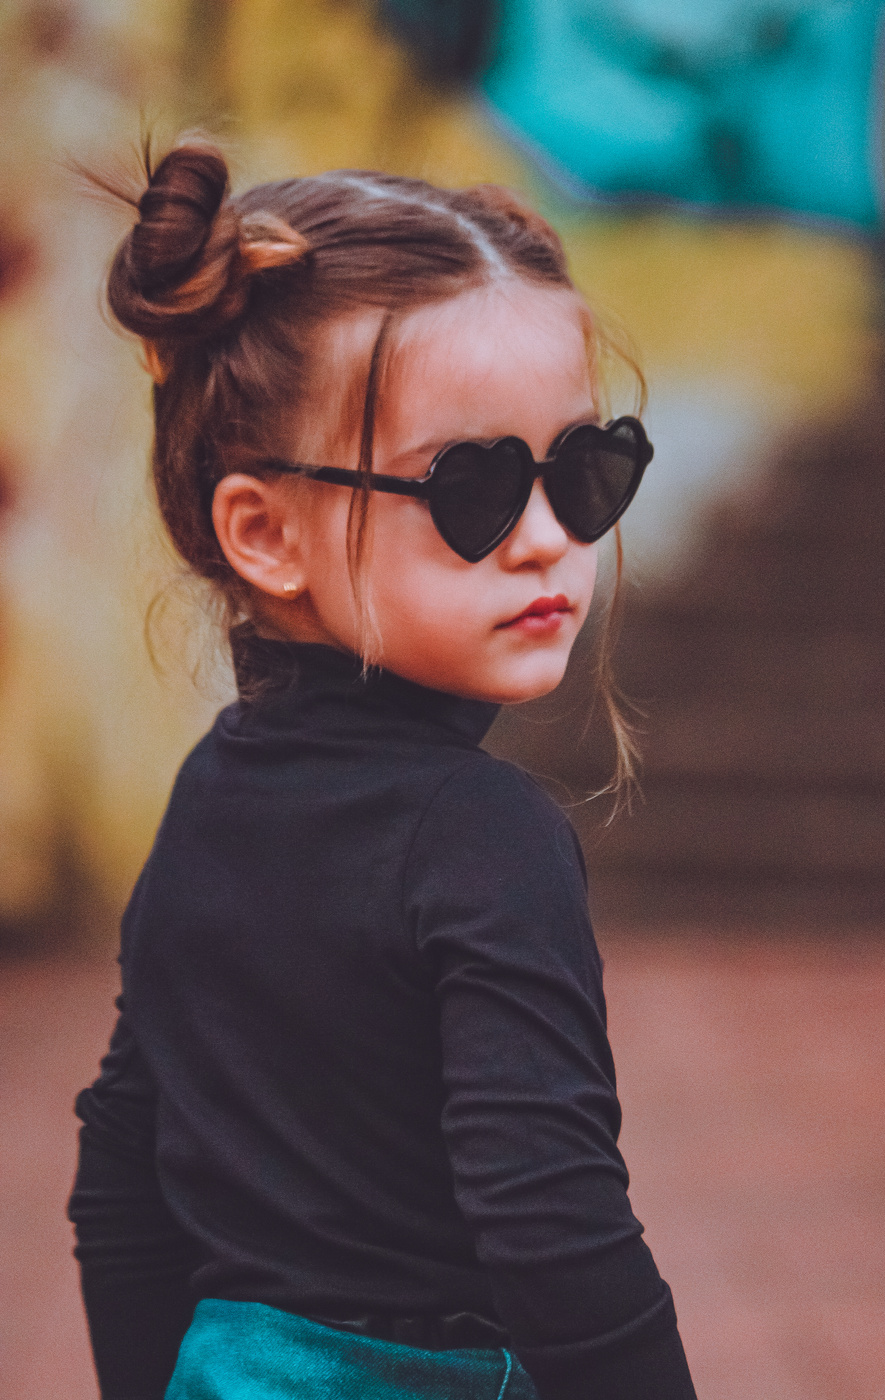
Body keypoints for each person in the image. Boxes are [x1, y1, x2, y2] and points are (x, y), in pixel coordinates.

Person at [68, 138, 696, 1400]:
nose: (547, 538)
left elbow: (120, 1177)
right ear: (265, 532)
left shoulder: (209, 795)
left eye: (583, 469)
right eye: (474, 485)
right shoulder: (484, 833)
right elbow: (556, 1230)